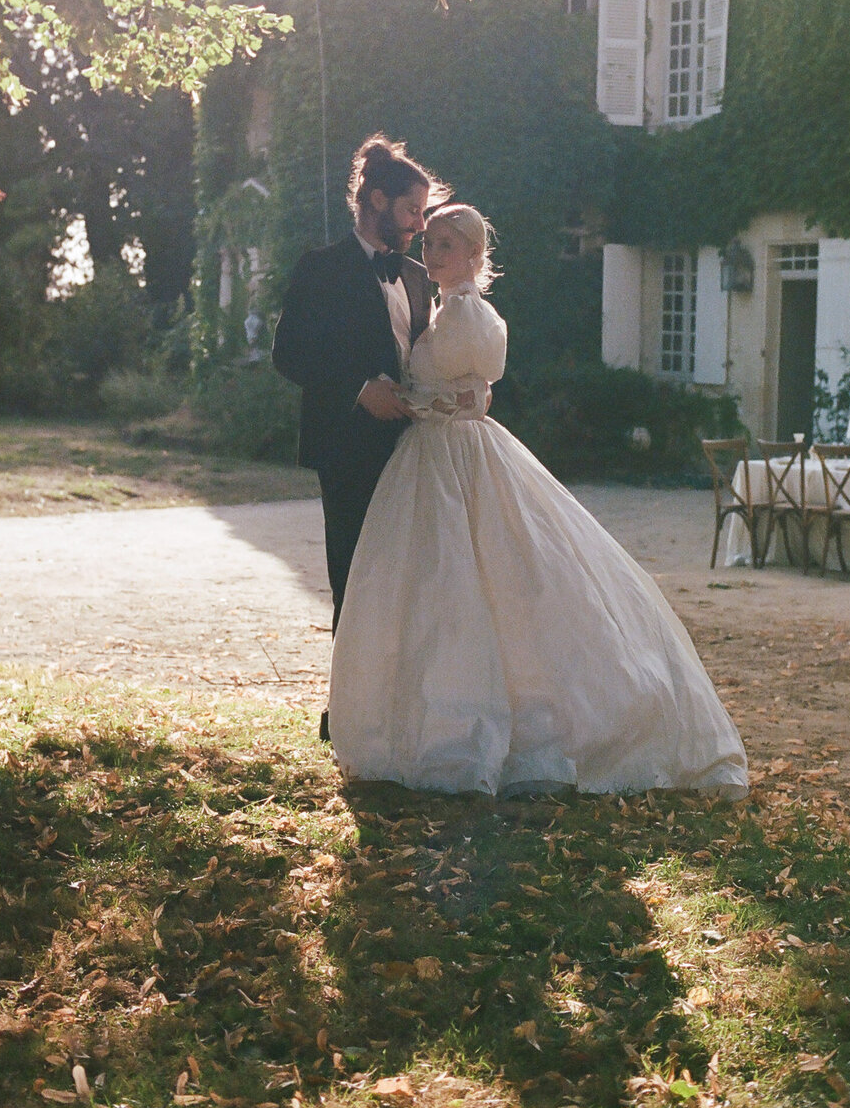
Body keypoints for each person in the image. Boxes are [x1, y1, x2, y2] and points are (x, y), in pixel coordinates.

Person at [328, 204, 748, 799]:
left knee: (490, 577)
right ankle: (426, 722)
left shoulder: (469, 312)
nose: (432, 255)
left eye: (446, 246)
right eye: (430, 244)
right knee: (433, 586)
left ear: (474, 255)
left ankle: (491, 727)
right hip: (430, 457)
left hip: (456, 454)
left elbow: (473, 393)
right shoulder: (444, 309)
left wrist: (417, 402)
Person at [272, 135, 444, 654]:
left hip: (414, 451)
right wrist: (358, 389)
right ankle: (347, 711)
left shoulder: (418, 277)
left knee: (412, 580)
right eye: (412, 210)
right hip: (346, 449)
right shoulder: (319, 268)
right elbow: (289, 353)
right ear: (376, 200)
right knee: (355, 577)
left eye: (423, 212)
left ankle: (400, 705)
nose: (420, 223)